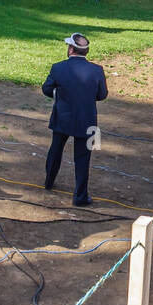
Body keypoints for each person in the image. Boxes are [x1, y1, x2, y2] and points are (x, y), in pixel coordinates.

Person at [41, 32, 108, 207]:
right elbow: (102, 95)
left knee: (55, 150)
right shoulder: (97, 70)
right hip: (87, 120)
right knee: (83, 158)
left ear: (71, 49)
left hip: (63, 117)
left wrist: (59, 95)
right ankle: (80, 196)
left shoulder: (58, 68)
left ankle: (49, 181)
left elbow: (46, 88)